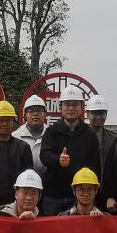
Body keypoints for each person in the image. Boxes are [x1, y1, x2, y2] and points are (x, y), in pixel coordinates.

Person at [39, 86, 101, 216]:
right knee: (52, 228)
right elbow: (44, 155)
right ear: (60, 107)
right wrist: (58, 160)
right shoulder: (52, 131)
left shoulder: (89, 134)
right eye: (67, 104)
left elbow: (95, 166)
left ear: (82, 107)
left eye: (75, 104)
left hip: (81, 197)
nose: (71, 108)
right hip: (54, 196)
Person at [12, 94, 48, 175]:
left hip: (48, 181)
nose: (35, 114)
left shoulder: (52, 134)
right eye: (31, 111)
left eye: (39, 110)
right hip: (22, 181)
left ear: (45, 114)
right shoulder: (15, 136)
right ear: (25, 115)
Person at [85, 95, 117, 179]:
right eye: (95, 113)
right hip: (87, 182)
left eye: (101, 113)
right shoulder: (80, 136)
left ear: (106, 114)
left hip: (108, 183)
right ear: (87, 114)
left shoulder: (114, 138)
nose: (98, 117)